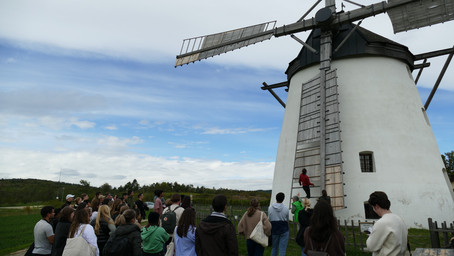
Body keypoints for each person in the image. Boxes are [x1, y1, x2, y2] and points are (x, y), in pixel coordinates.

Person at [366, 191, 408, 256]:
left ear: (376, 206)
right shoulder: (399, 219)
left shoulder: (382, 223)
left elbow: (370, 247)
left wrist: (371, 236)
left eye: (372, 207)